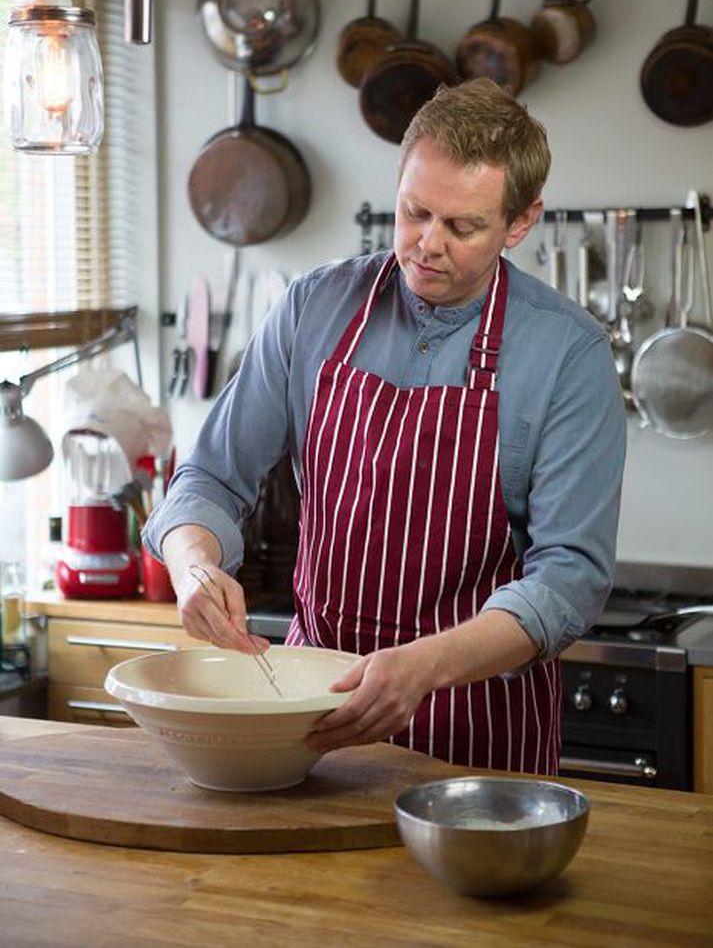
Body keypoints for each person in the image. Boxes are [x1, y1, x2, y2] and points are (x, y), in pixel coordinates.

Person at [143, 77, 626, 775]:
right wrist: (193, 567)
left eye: (461, 226)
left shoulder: (567, 354)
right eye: (413, 211)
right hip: (314, 716)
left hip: (476, 733)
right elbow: (210, 477)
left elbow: (569, 576)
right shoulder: (314, 306)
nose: (427, 243)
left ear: (519, 222)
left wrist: (424, 666)